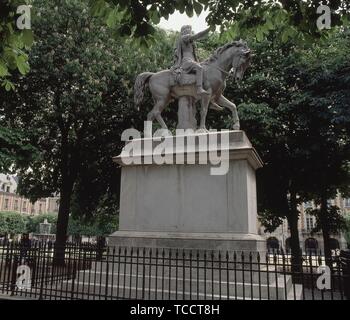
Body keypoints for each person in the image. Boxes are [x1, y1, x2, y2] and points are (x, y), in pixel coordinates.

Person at [172, 25, 211, 95]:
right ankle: (199, 88)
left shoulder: (190, 41)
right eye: (188, 29)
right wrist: (209, 29)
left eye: (190, 29)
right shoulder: (184, 37)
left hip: (193, 61)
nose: (190, 30)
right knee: (199, 68)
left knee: (205, 68)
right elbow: (198, 35)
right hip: (186, 61)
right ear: (184, 30)